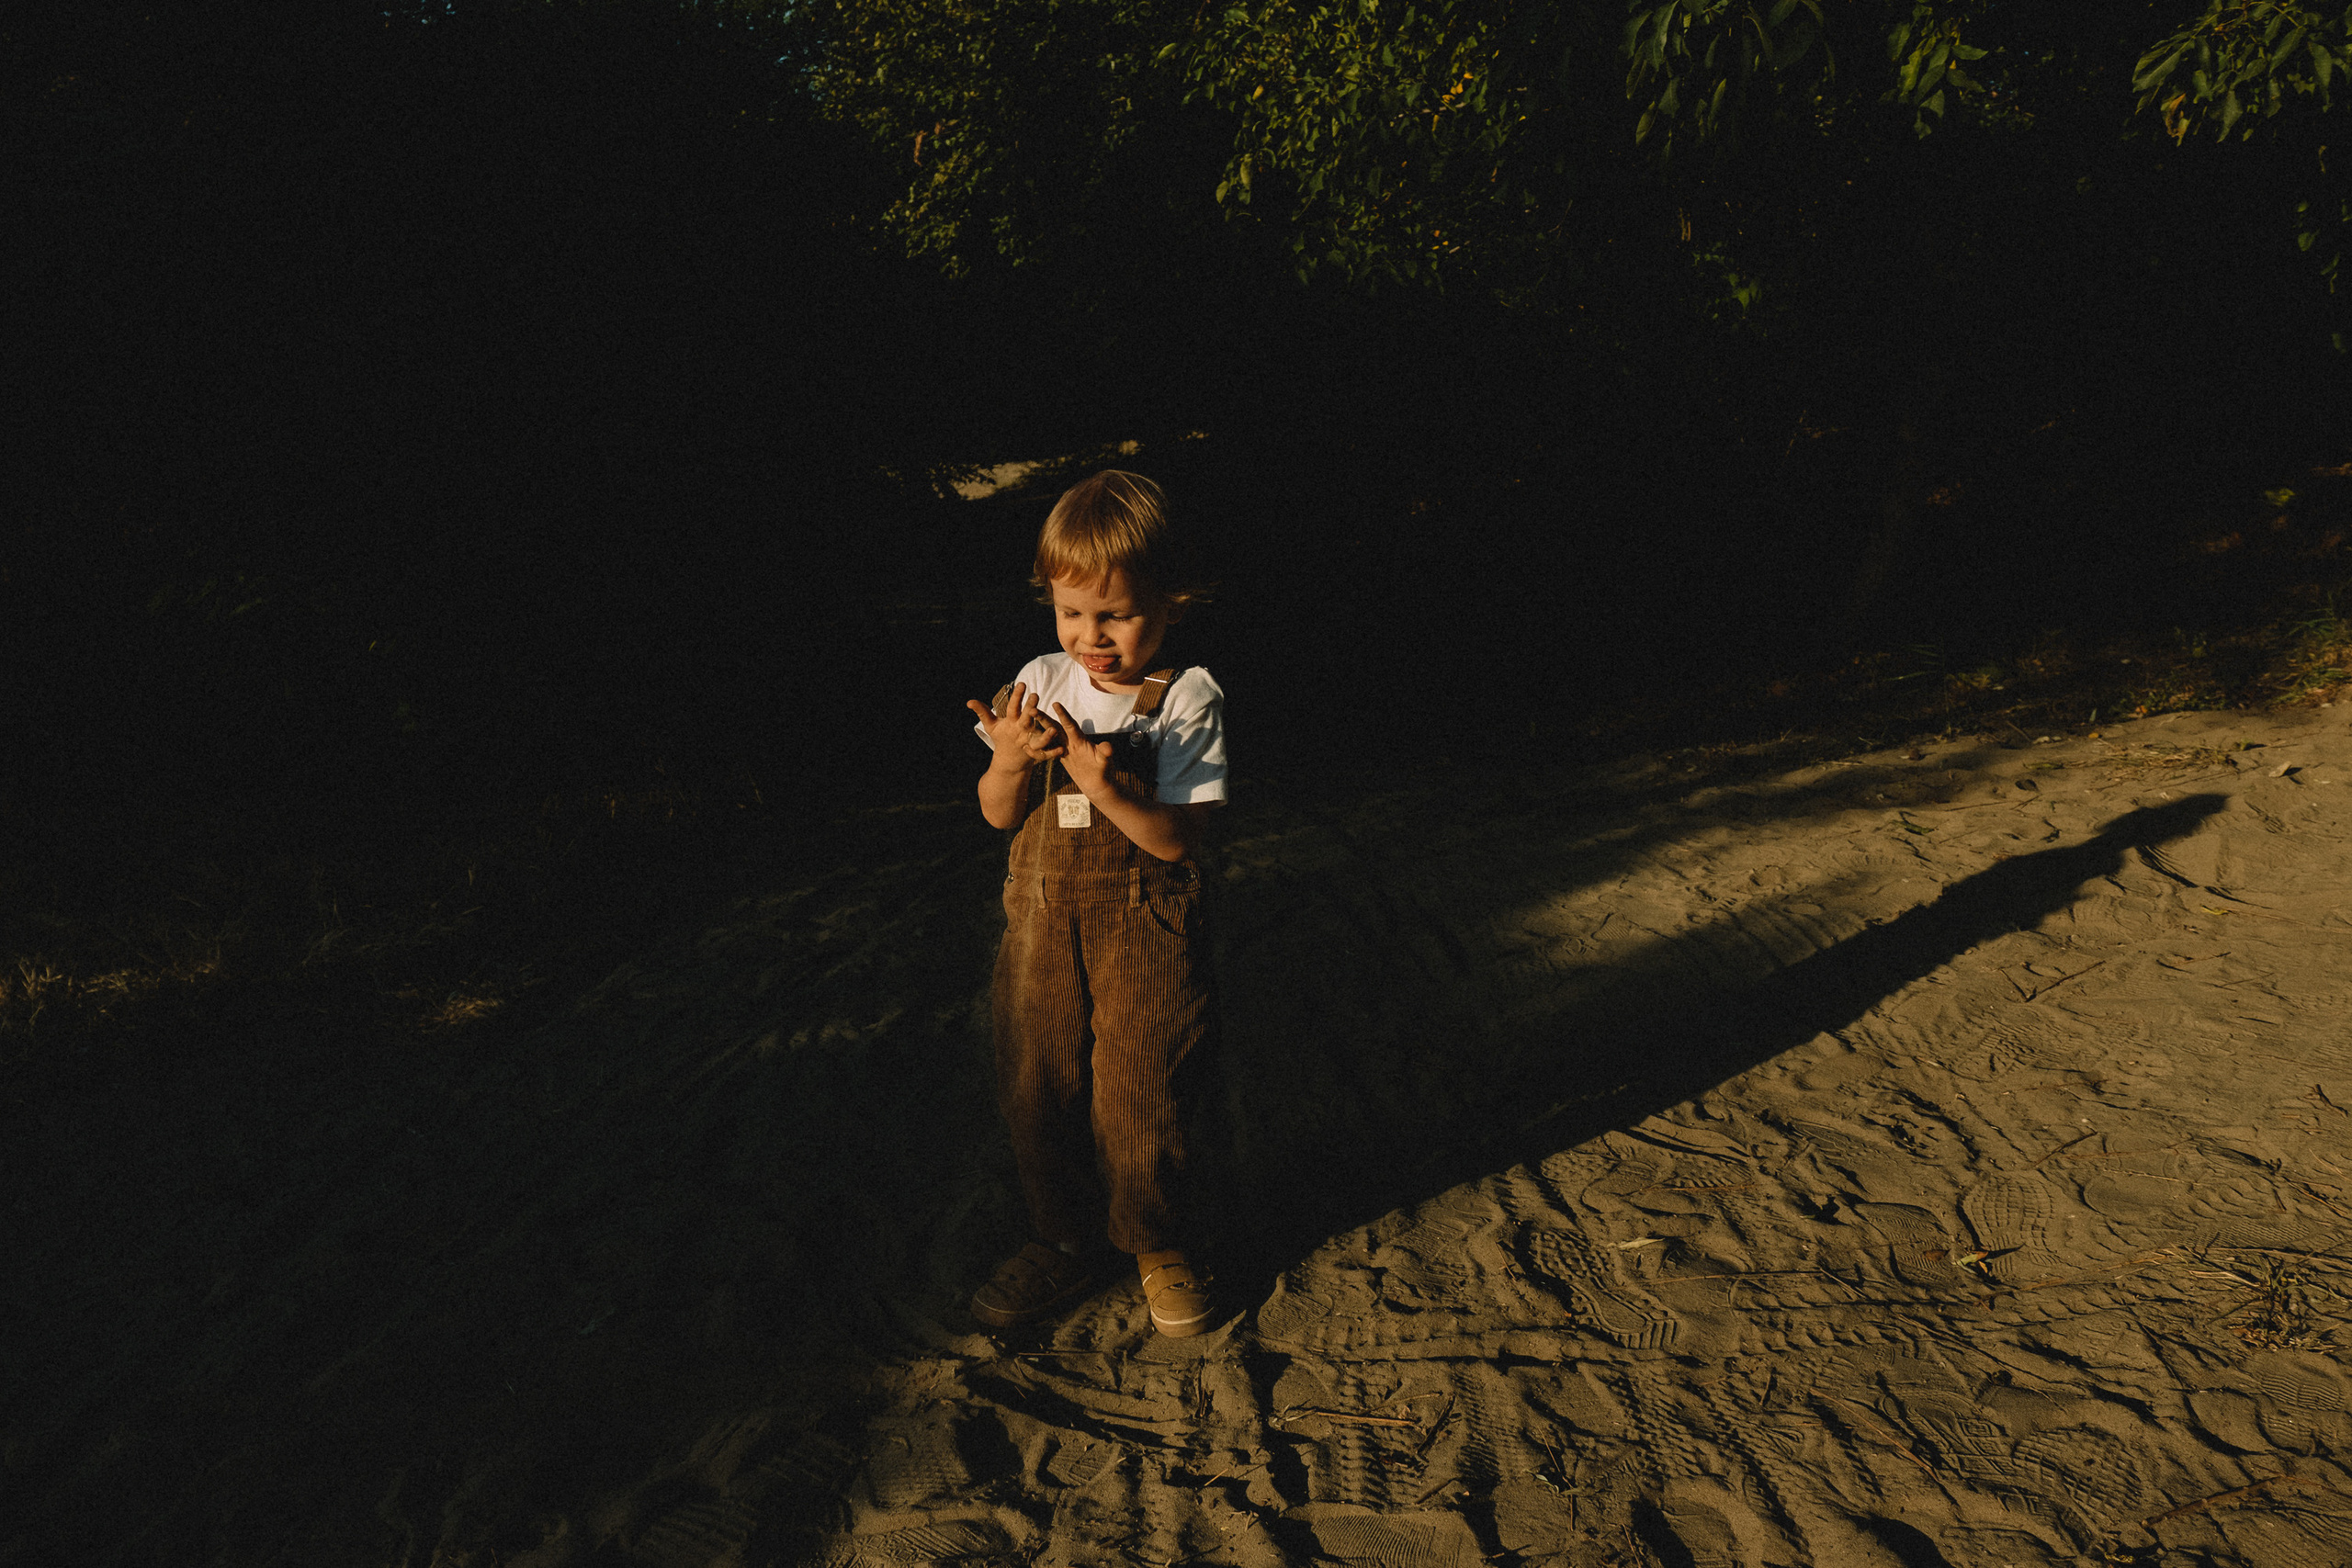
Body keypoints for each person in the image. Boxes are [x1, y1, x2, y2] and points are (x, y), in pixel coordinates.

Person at [963, 470, 1227, 1337]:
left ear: (1173, 600)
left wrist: (1109, 787)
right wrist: (1008, 757)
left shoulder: (1185, 699)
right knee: (1038, 1078)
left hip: (1146, 929)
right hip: (1042, 927)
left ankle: (1157, 1239)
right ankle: (1061, 1235)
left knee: (1141, 1084)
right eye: (1072, 613)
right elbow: (1001, 814)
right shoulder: (1040, 680)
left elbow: (1178, 841)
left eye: (1115, 614)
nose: (1091, 637)